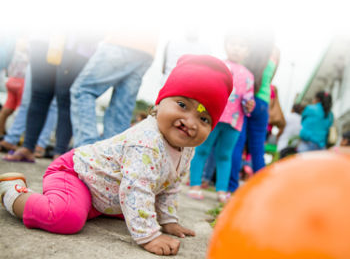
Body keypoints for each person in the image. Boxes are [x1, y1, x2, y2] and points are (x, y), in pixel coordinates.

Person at [0, 54, 233, 256]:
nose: (190, 122)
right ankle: (13, 193)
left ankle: (91, 207)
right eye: (182, 105)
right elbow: (136, 188)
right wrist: (149, 236)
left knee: (138, 209)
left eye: (204, 119)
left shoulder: (186, 149)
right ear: (159, 103)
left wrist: (168, 221)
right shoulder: (147, 141)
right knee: (66, 216)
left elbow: (168, 186)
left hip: (102, 195)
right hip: (75, 174)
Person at [3, 34, 95, 162]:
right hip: (43, 38)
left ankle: (60, 153)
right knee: (38, 95)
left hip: (75, 43)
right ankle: (28, 147)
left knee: (65, 97)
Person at [188, 33, 255, 203]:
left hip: (234, 121)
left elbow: (248, 97)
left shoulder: (249, 75)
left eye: (242, 45)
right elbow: (207, 87)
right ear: (226, 45)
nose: (237, 48)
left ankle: (222, 189)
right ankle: (195, 184)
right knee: (202, 149)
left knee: (225, 155)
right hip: (213, 116)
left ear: (247, 51)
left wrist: (249, 105)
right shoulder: (218, 65)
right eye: (233, 43)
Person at [70, 31, 156, 147]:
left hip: (121, 41)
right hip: (148, 50)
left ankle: (88, 150)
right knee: (121, 109)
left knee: (81, 91)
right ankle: (110, 157)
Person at [228, 38, 278, 193]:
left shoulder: (248, 48)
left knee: (237, 144)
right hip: (263, 101)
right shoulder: (275, 51)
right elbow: (271, 79)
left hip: (244, 99)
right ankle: (262, 190)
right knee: (258, 149)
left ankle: (232, 188)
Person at [0, 65, 57, 157]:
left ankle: (40, 144)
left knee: (51, 105)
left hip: (58, 57)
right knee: (27, 102)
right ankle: (12, 139)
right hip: (37, 58)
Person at [0, 38, 28, 138]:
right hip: (22, 82)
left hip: (11, 80)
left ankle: (1, 132)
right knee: (21, 109)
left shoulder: (15, 49)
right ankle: (15, 137)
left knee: (7, 107)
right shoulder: (27, 52)